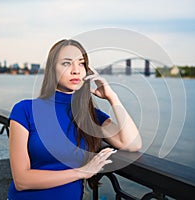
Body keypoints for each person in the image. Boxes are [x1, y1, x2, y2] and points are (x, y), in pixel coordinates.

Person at [8, 39, 142, 200]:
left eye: (81, 64)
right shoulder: (25, 110)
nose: (75, 70)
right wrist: (81, 172)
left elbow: (133, 144)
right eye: (66, 63)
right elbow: (22, 180)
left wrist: (112, 97)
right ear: (52, 70)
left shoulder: (91, 116)